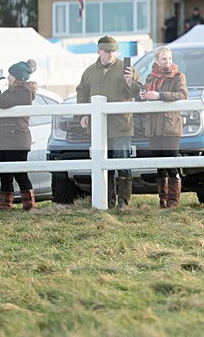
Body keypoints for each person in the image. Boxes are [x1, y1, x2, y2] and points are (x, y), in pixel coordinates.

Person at [76, 36, 143, 209]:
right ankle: (106, 202)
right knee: (102, 165)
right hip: (98, 128)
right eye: (107, 51)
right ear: (99, 51)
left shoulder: (126, 69)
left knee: (123, 164)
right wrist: (83, 114)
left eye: (113, 51)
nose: (111, 54)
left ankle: (124, 203)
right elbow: (82, 92)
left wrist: (130, 82)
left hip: (121, 126)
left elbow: (139, 93)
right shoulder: (89, 71)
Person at [137, 46, 188, 208]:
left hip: (170, 125)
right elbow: (146, 97)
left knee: (172, 163)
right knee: (160, 166)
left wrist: (160, 96)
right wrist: (143, 96)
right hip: (153, 126)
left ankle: (173, 201)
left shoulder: (178, 76)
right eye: (164, 59)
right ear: (157, 61)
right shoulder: (150, 78)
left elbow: (182, 94)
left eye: (170, 58)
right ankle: (163, 200)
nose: (168, 62)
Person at [0, 60, 38, 211]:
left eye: (11, 75)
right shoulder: (10, 92)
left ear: (18, 77)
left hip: (17, 140)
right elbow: (2, 108)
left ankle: (29, 206)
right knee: (5, 175)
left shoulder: (24, 93)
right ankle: (5, 207)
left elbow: (2, 103)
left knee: (20, 174)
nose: (8, 77)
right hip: (4, 139)